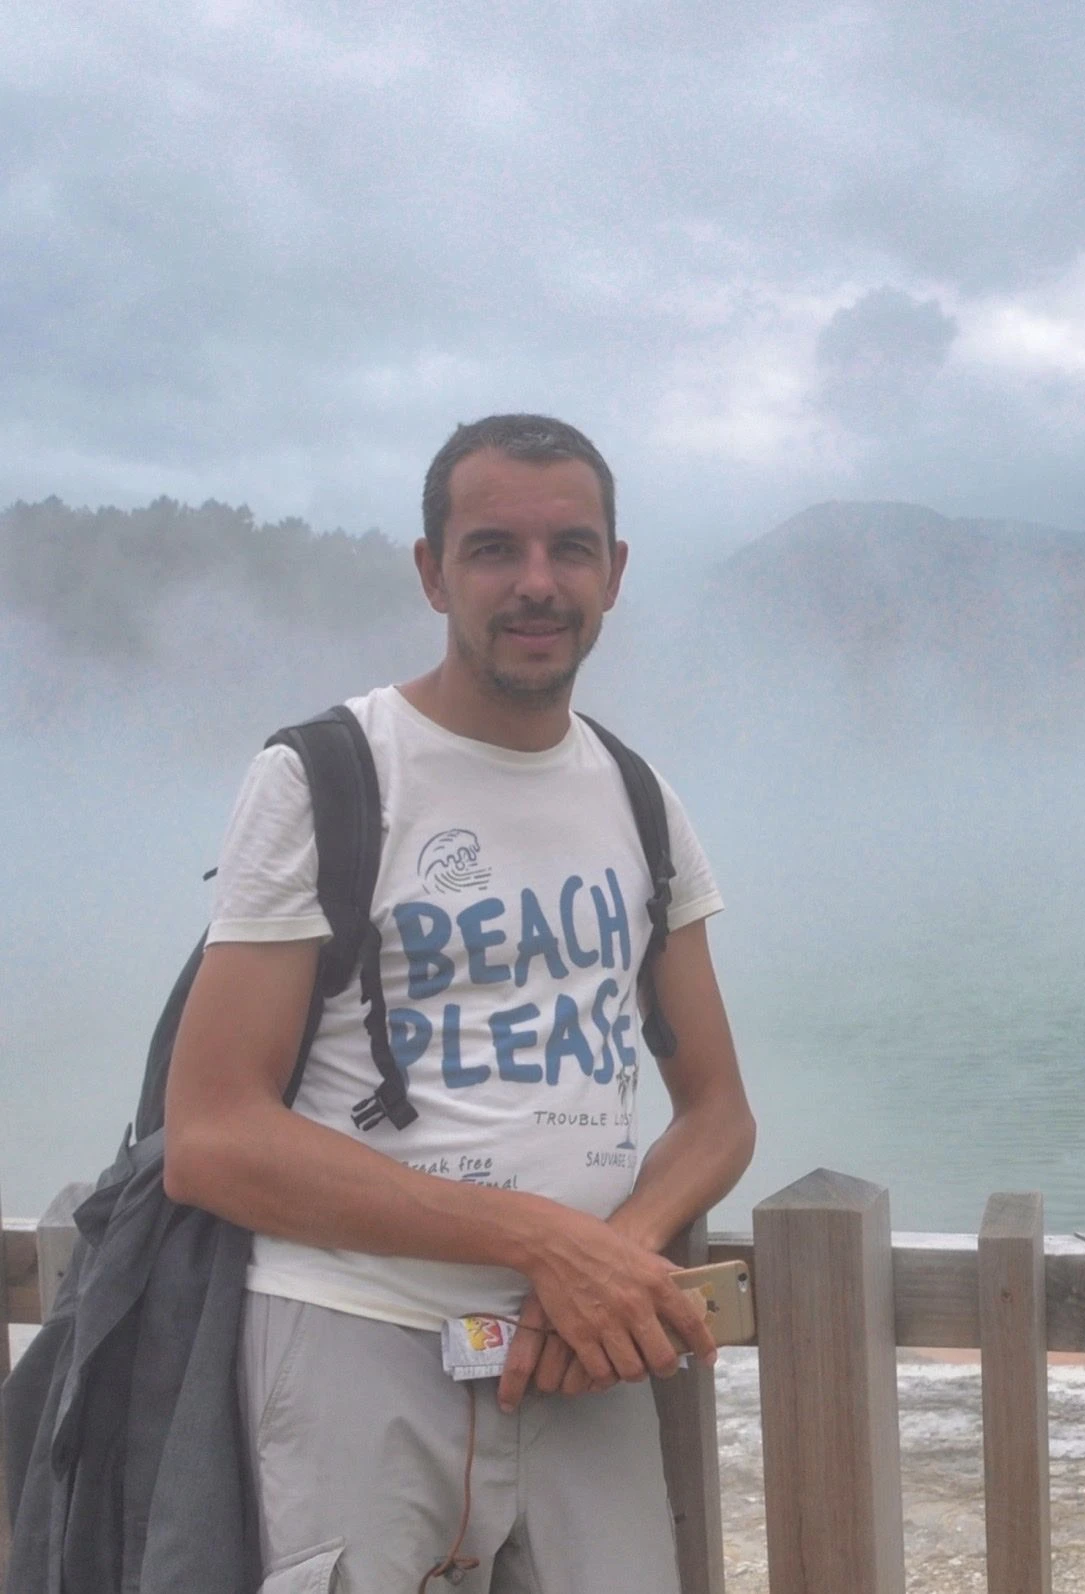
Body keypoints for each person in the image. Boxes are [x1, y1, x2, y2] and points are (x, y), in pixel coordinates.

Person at [163, 414, 757, 1592]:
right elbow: (212, 1136)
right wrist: (545, 1244)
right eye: (493, 549)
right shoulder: (329, 777)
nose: (536, 585)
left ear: (615, 574)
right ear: (432, 570)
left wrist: (615, 1257)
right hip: (359, 1338)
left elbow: (719, 1114)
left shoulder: (639, 796)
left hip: (587, 1362)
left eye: (570, 549)